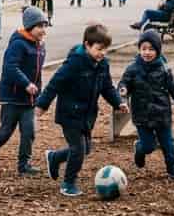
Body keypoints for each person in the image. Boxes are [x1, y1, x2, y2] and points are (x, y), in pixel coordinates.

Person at [36, 23, 128, 196]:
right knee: (78, 150)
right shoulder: (75, 63)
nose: (102, 53)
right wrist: (42, 104)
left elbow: (107, 87)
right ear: (87, 45)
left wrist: (118, 102)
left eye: (105, 49)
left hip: (87, 114)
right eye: (99, 48)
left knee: (85, 149)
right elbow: (55, 83)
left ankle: (54, 158)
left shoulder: (102, 64)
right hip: (69, 113)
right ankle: (68, 184)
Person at [119, 31, 174, 181]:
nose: (147, 52)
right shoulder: (133, 69)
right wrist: (123, 89)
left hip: (162, 114)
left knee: (168, 144)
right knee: (148, 146)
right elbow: (124, 82)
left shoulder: (164, 70)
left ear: (158, 51)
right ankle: (139, 148)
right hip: (142, 116)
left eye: (151, 49)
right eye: (144, 48)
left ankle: (172, 170)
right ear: (139, 50)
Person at [0, 7, 49, 177]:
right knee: (6, 131)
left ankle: (24, 165)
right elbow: (10, 68)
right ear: (29, 27)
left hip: (29, 100)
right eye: (39, 26)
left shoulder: (41, 46)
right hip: (12, 98)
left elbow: (38, 73)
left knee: (29, 131)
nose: (43, 30)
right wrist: (26, 84)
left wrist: (38, 94)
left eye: (45, 25)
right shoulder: (18, 44)